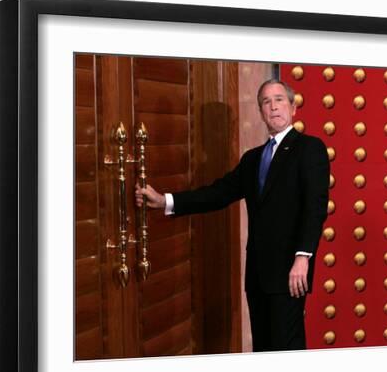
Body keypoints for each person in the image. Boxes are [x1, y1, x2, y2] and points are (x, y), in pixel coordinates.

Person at [135, 78, 330, 351]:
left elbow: (315, 207)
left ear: (293, 107)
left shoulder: (310, 149)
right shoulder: (253, 158)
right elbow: (218, 193)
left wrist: (303, 257)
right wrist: (165, 200)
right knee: (263, 350)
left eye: (279, 100)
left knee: (287, 352)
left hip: (289, 273)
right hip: (257, 276)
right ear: (261, 112)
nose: (273, 107)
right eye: (266, 102)